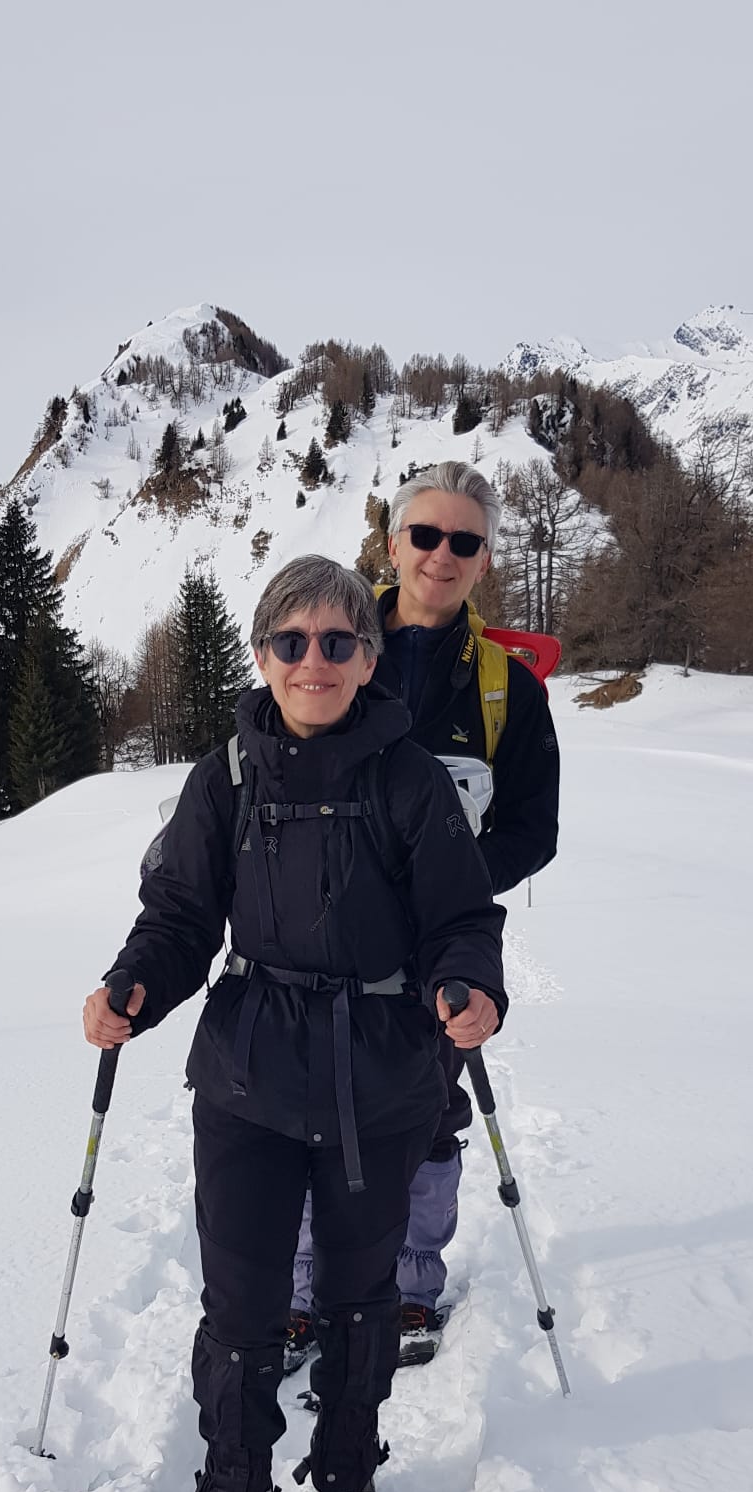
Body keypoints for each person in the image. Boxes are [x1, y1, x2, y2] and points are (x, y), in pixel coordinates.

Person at [84, 555, 507, 1492]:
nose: (312, 660)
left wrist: (467, 984)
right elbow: (181, 915)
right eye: (291, 641)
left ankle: (347, 1485)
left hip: (382, 1079)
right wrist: (135, 984)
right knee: (241, 1308)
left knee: (361, 1303)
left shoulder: (410, 778)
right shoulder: (226, 776)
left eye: (336, 641)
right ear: (262, 655)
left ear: (367, 658)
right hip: (250, 1077)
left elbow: (461, 917)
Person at [286, 462, 559, 1370]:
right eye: (427, 535)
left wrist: (451, 881)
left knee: (431, 1115)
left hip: (439, 945)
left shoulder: (507, 689)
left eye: (465, 541)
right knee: (311, 1109)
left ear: (484, 561)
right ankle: (301, 1290)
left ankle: (409, 1286)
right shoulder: (328, 650)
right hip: (325, 934)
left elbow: (534, 828)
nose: (443, 555)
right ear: (393, 543)